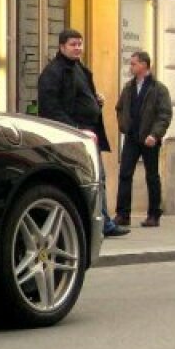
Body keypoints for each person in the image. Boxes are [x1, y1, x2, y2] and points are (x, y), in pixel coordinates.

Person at [37, 27, 129, 238]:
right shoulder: (53, 73)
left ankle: (104, 222)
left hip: (89, 133)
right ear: (62, 47)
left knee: (98, 178)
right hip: (74, 136)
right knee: (87, 180)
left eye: (80, 44)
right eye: (73, 44)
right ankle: (93, 223)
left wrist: (95, 102)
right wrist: (76, 130)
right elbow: (51, 109)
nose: (78, 48)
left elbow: (80, 96)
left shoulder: (79, 69)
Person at [114, 50, 173, 228]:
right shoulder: (129, 87)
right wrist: (124, 126)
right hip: (132, 137)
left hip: (149, 138)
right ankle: (123, 214)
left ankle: (154, 215)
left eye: (133, 64)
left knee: (152, 176)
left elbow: (165, 114)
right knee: (125, 174)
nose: (131, 67)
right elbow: (120, 108)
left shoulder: (158, 89)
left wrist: (155, 134)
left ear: (144, 65)